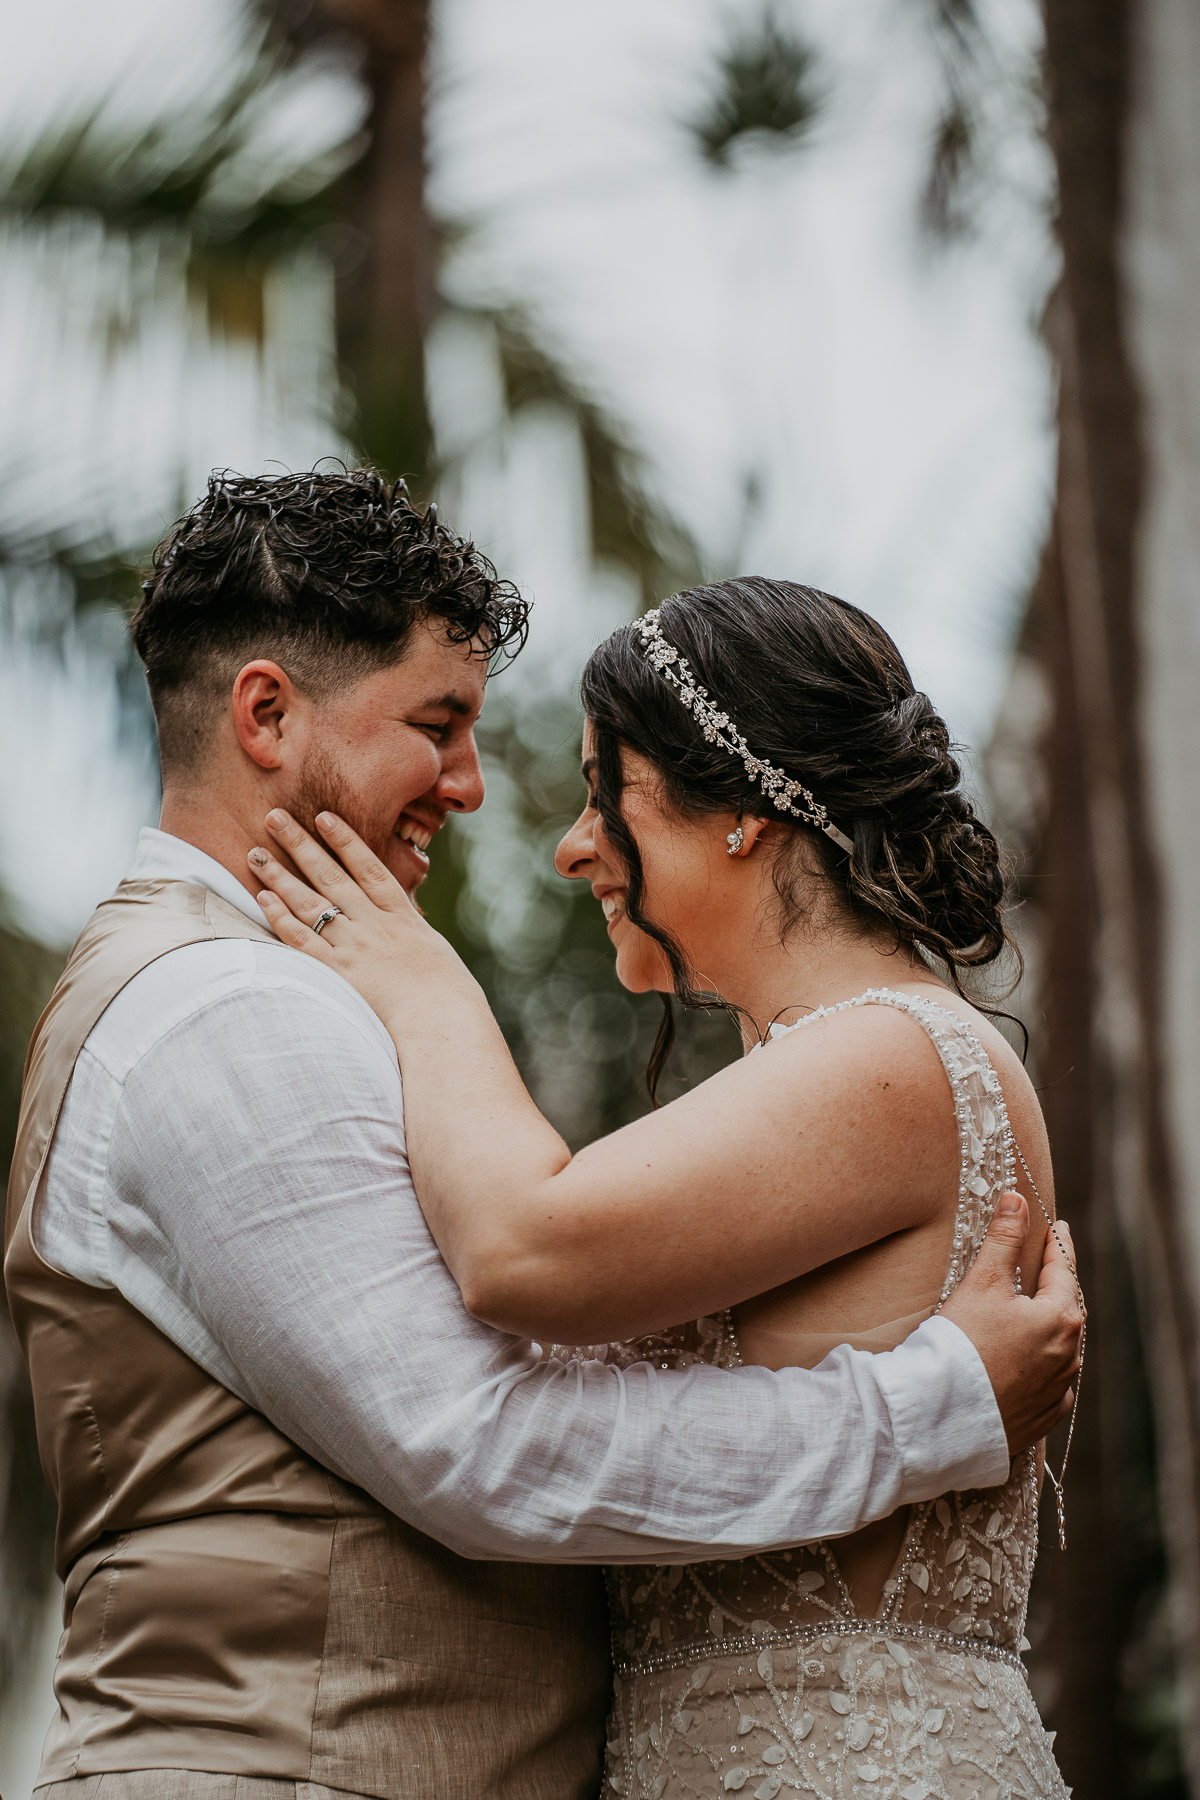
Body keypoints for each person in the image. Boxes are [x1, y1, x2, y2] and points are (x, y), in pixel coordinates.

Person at [4, 473, 1080, 1800]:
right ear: (267, 713)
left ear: (741, 810)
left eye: (600, 790)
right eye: (440, 723)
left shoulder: (886, 1057)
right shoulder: (220, 1005)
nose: (487, 799)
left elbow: (526, 1257)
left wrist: (425, 986)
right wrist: (932, 1408)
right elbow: (479, 1432)